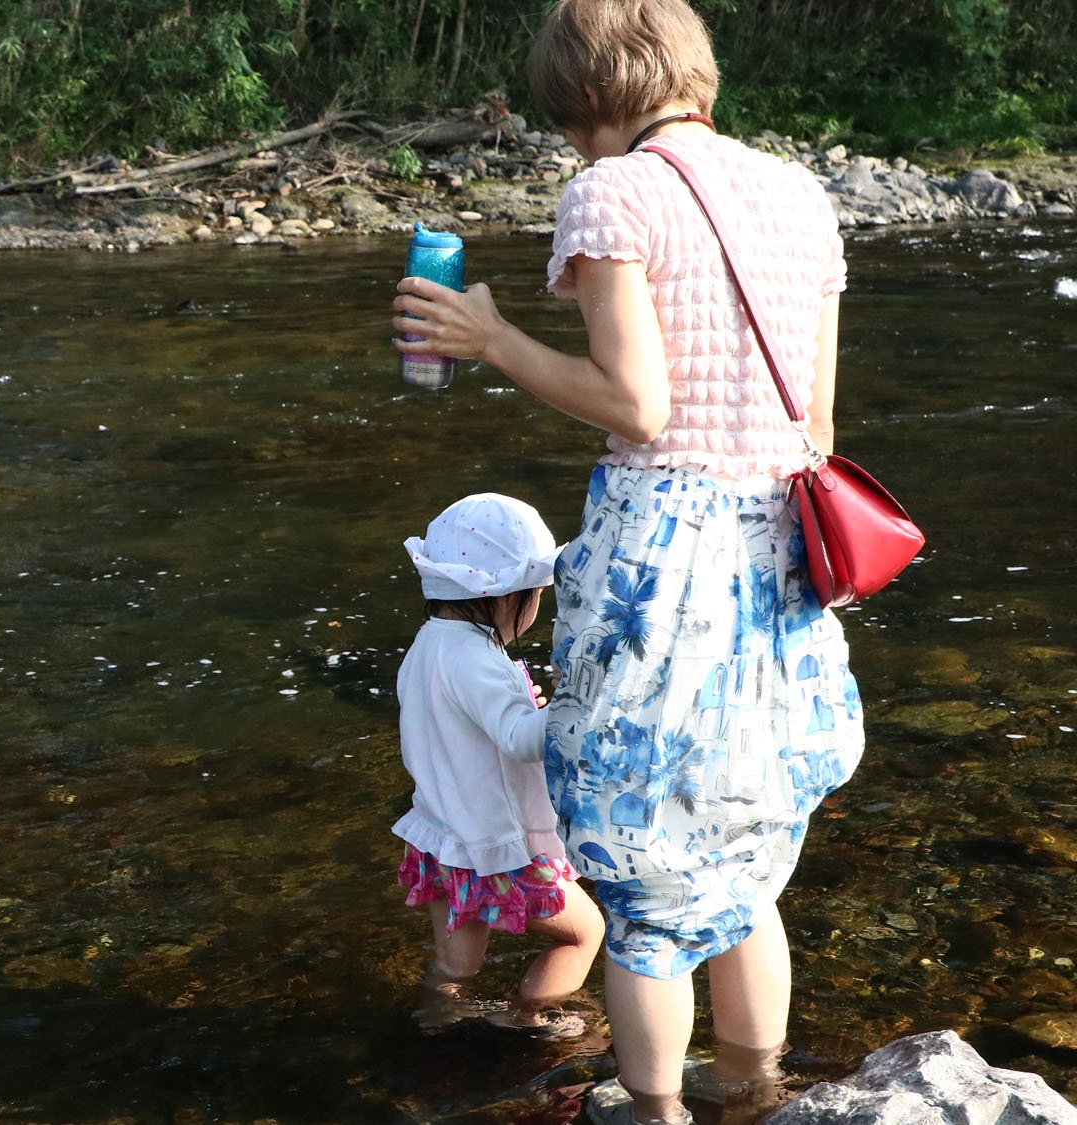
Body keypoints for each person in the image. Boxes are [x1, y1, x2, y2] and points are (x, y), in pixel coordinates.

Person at [388, 2, 866, 1122]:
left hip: (666, 577)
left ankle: (651, 1111)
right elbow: (820, 427)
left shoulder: (615, 191)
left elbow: (638, 407)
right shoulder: (799, 195)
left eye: (566, 129)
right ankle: (753, 1087)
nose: (571, 150)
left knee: (644, 885)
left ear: (586, 105)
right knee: (745, 866)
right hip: (783, 568)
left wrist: (489, 340)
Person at [392, 494, 604, 1041]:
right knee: (582, 934)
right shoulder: (476, 660)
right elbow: (520, 741)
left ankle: (435, 1036)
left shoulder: (428, 646)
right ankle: (529, 1022)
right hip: (495, 847)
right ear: (508, 597)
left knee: (455, 969)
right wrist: (573, 702)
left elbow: (455, 723)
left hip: (443, 840)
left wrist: (520, 704)